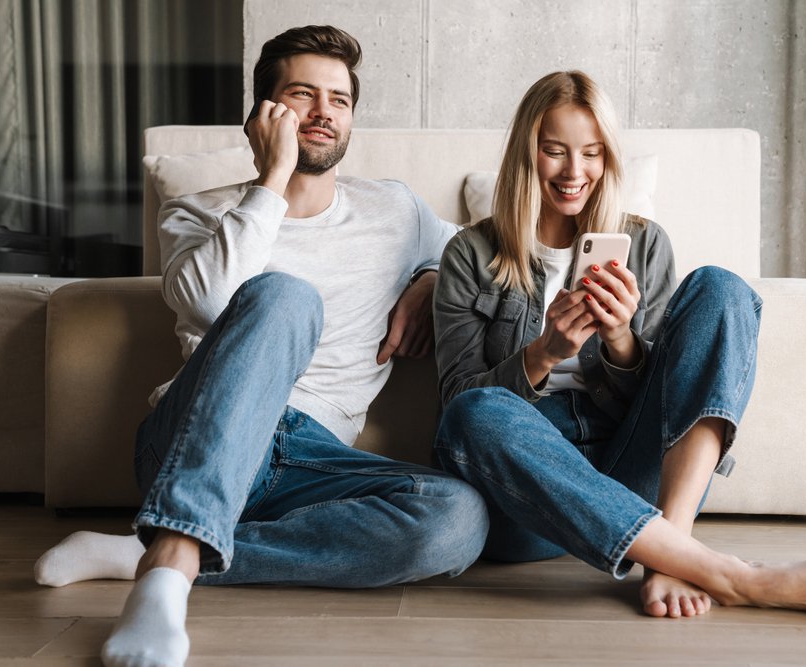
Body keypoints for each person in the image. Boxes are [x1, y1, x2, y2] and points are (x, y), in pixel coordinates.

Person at [34, 25, 489, 667]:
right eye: (303, 95)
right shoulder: (196, 213)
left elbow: (481, 256)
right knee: (285, 297)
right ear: (261, 115)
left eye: (339, 99)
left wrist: (430, 276)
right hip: (194, 439)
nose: (324, 111)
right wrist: (273, 178)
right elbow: (209, 300)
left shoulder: (396, 211)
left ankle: (159, 551)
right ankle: (166, 571)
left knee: (458, 517)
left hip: (309, 458)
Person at [432, 70, 806, 620]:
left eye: (592, 154)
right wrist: (543, 354)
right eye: (554, 151)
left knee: (720, 285)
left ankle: (671, 545)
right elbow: (456, 402)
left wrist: (621, 339)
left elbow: (667, 394)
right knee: (475, 412)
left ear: (609, 158)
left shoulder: (644, 243)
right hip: (528, 497)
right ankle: (727, 574)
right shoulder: (470, 253)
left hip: (631, 462)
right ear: (527, 154)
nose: (575, 173)